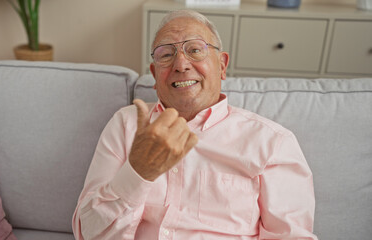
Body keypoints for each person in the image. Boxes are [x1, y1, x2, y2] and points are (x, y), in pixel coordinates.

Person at [73, 10, 317, 240]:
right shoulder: (126, 124)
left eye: (195, 50)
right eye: (166, 55)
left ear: (221, 65)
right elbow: (88, 233)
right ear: (154, 75)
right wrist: (138, 172)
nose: (181, 64)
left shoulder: (273, 143)